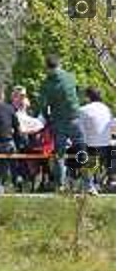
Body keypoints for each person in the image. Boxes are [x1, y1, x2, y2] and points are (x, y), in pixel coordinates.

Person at [37, 55, 86, 191]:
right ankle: (90, 184)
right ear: (59, 64)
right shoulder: (71, 77)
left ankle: (61, 185)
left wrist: (48, 118)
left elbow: (42, 105)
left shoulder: (47, 83)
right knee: (83, 150)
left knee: (59, 154)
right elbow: (78, 92)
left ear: (47, 67)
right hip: (75, 118)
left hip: (59, 121)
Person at [78, 87, 114, 195]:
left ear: (88, 97)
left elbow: (79, 130)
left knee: (79, 150)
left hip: (91, 147)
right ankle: (104, 181)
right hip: (106, 147)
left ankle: (88, 185)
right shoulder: (107, 109)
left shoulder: (83, 110)